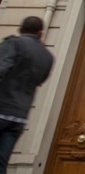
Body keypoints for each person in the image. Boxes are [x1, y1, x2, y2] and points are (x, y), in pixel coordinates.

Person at [0, 16, 54, 174]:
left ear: (21, 28)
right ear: (40, 33)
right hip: (19, 116)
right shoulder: (47, 56)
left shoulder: (14, 43)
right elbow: (40, 80)